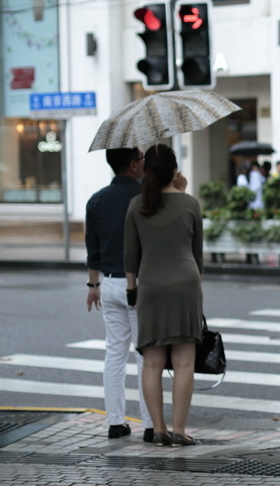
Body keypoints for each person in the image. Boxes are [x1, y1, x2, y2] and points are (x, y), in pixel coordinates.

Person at [124, 144, 204, 447]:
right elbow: (198, 255)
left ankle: (158, 429)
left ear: (146, 171)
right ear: (174, 171)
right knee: (184, 363)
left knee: (152, 363)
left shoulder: (136, 205)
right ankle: (180, 430)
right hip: (186, 284)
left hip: (152, 286)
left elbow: (130, 256)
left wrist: (133, 289)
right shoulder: (190, 203)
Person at [85, 148, 154, 441]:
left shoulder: (96, 200)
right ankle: (151, 424)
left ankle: (116, 422)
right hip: (139, 283)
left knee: (114, 352)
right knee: (145, 354)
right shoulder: (145, 199)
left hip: (109, 284)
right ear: (134, 164)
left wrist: (92, 285)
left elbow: (93, 248)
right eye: (141, 159)